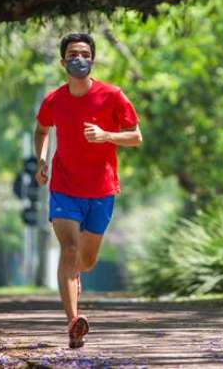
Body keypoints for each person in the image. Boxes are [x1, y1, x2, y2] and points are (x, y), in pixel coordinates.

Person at [34, 32, 142, 348]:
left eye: (84, 53)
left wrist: (106, 135)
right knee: (69, 250)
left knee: (87, 260)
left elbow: (136, 136)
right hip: (64, 188)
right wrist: (41, 160)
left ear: (92, 59)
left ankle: (73, 277)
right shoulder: (54, 100)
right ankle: (73, 322)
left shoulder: (113, 96)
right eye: (72, 54)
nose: (78, 58)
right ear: (62, 61)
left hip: (101, 191)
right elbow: (41, 130)